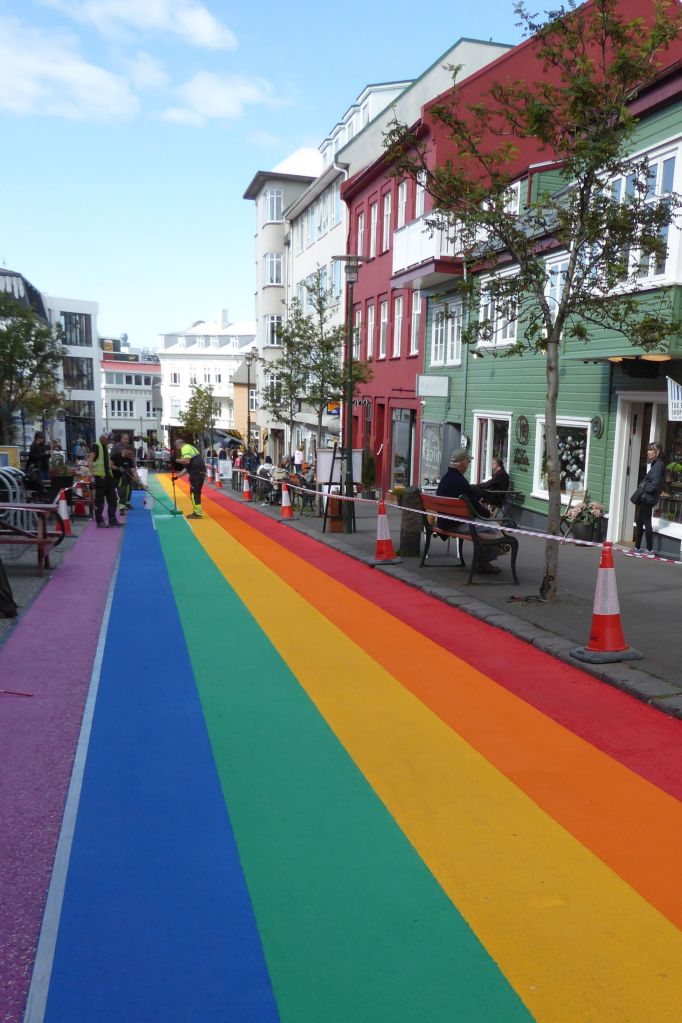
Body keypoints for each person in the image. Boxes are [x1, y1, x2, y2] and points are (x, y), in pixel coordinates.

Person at [436, 448, 500, 574]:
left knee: (487, 527)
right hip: (456, 523)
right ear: (462, 463)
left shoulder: (446, 478)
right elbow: (474, 506)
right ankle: (484, 562)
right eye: (468, 462)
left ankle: (484, 559)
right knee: (494, 528)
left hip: (444, 521)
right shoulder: (460, 481)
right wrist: (487, 514)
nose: (468, 465)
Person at [632, 441, 666, 557]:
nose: (648, 452)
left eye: (651, 450)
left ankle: (649, 549)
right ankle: (637, 547)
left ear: (657, 452)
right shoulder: (655, 464)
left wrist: (644, 485)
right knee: (639, 521)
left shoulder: (659, 465)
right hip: (646, 497)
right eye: (648, 449)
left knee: (646, 522)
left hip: (648, 498)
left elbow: (655, 485)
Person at [87, 430, 121, 528]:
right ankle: (100, 521)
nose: (108, 442)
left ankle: (112, 519)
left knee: (113, 499)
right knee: (100, 501)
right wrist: (92, 476)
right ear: (103, 438)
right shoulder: (96, 446)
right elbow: (90, 460)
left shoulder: (104, 447)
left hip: (108, 477)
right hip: (99, 478)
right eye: (108, 440)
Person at [174, 437, 206, 519]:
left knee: (194, 493)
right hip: (199, 472)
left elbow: (186, 461)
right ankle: (197, 511)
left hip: (196, 473)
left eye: (177, 447)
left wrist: (175, 460)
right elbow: (187, 467)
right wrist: (178, 476)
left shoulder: (185, 448)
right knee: (196, 492)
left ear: (179, 444)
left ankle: (197, 513)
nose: (177, 449)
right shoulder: (190, 447)